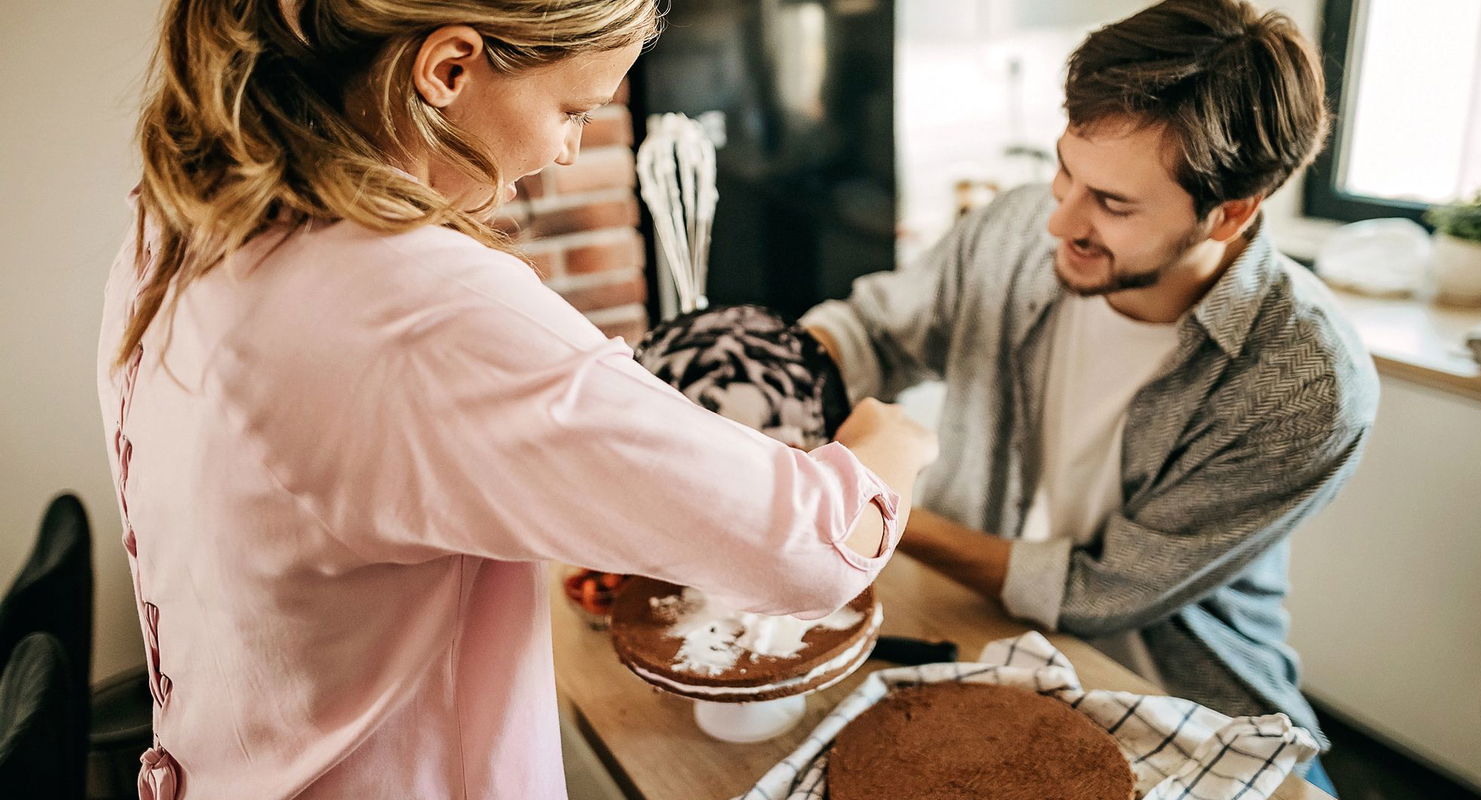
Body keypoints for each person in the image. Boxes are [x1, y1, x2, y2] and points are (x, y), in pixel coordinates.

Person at [96, 1, 936, 797]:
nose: (567, 151)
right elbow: (813, 546)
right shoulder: (417, 308)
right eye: (573, 110)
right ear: (449, 68)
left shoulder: (175, 221)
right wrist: (888, 440)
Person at [803, 0, 1377, 789]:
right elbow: (876, 330)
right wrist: (771, 367)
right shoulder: (1012, 228)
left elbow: (1101, 591)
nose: (1057, 221)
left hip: (1181, 699)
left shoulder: (1307, 384)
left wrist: (870, 506)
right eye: (1065, 170)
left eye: (1112, 203)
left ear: (1230, 213)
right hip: (969, 629)